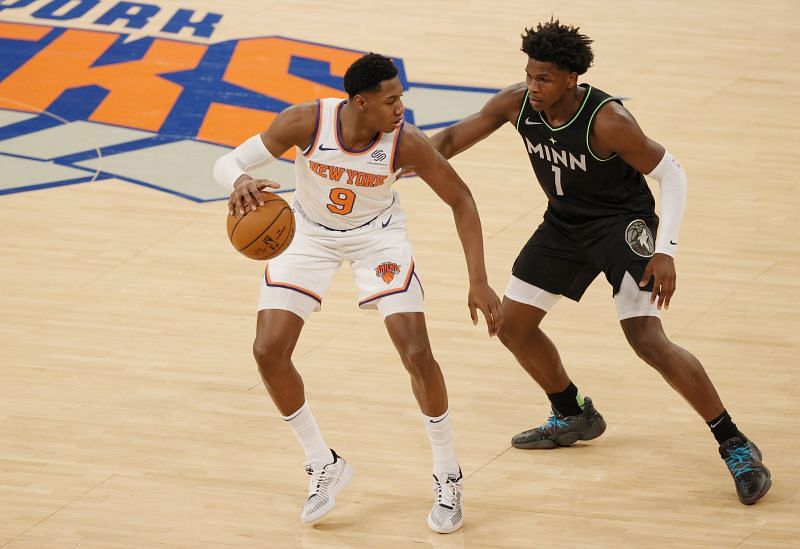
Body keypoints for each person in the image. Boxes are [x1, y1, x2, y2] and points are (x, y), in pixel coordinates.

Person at [429, 20, 771, 505]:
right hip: (564, 223)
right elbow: (446, 142)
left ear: (571, 78)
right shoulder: (516, 104)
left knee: (645, 338)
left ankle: (734, 443)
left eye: (543, 78)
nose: (533, 86)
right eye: (529, 75)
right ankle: (573, 413)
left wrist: (665, 249)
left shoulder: (608, 121)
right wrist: (388, 167)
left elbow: (671, 173)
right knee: (514, 324)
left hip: (619, 224)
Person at [213, 53, 502, 533]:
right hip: (307, 233)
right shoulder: (306, 121)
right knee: (268, 351)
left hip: (378, 236)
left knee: (416, 351)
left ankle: (448, 473)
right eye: (390, 101)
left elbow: (461, 198)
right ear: (359, 102)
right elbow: (229, 161)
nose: (400, 109)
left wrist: (477, 279)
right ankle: (322, 461)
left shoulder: (404, 142)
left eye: (401, 99)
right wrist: (240, 180)